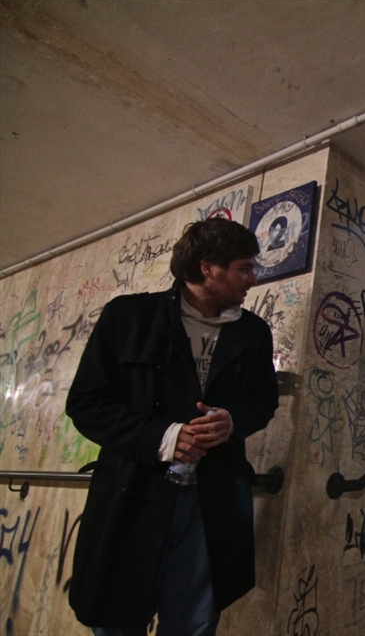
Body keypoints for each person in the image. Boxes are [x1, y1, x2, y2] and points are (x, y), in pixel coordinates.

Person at [66, 217, 280, 635]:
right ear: (207, 268)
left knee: (194, 622)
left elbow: (263, 401)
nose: (253, 278)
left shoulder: (254, 333)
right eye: (244, 268)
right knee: (116, 616)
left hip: (211, 503)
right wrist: (164, 437)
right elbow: (86, 404)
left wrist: (232, 421)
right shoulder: (128, 317)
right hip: (135, 495)